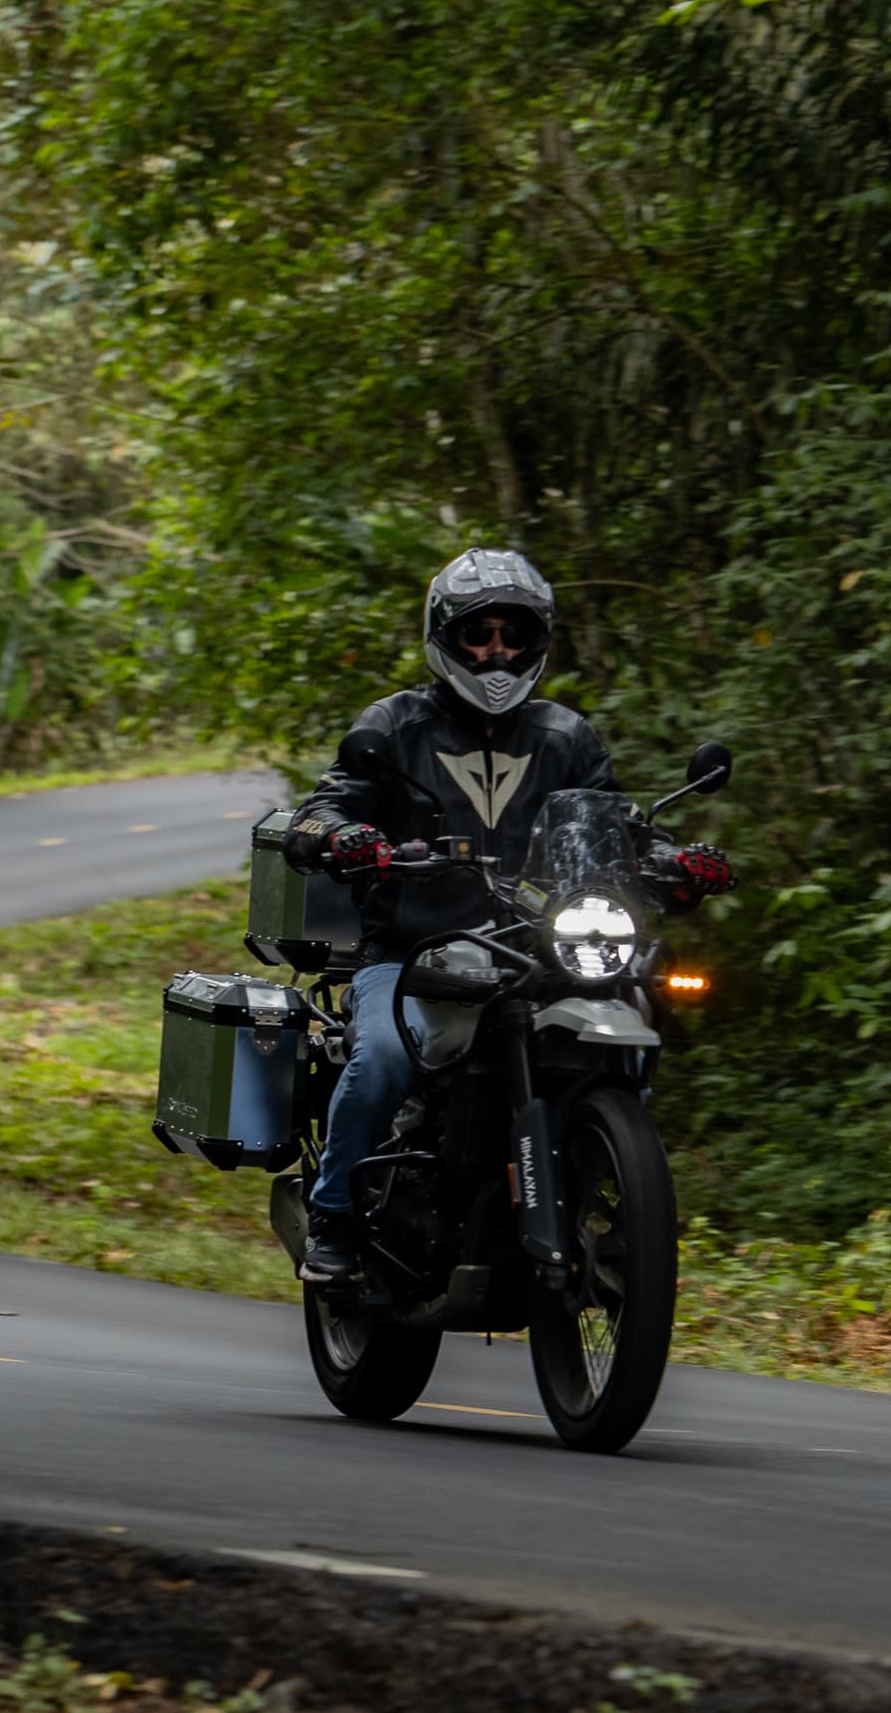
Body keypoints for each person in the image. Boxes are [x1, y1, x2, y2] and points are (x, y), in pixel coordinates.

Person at [282, 547, 731, 1284]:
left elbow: (617, 827)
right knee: (388, 1058)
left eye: (513, 634)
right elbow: (329, 803)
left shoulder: (565, 735)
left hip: (539, 955)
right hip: (414, 955)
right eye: (478, 633)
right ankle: (334, 1216)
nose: (497, 651)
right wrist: (342, 835)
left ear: (538, 641)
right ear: (444, 635)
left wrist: (677, 861)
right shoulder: (393, 726)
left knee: (639, 1007)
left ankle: (597, 1189)